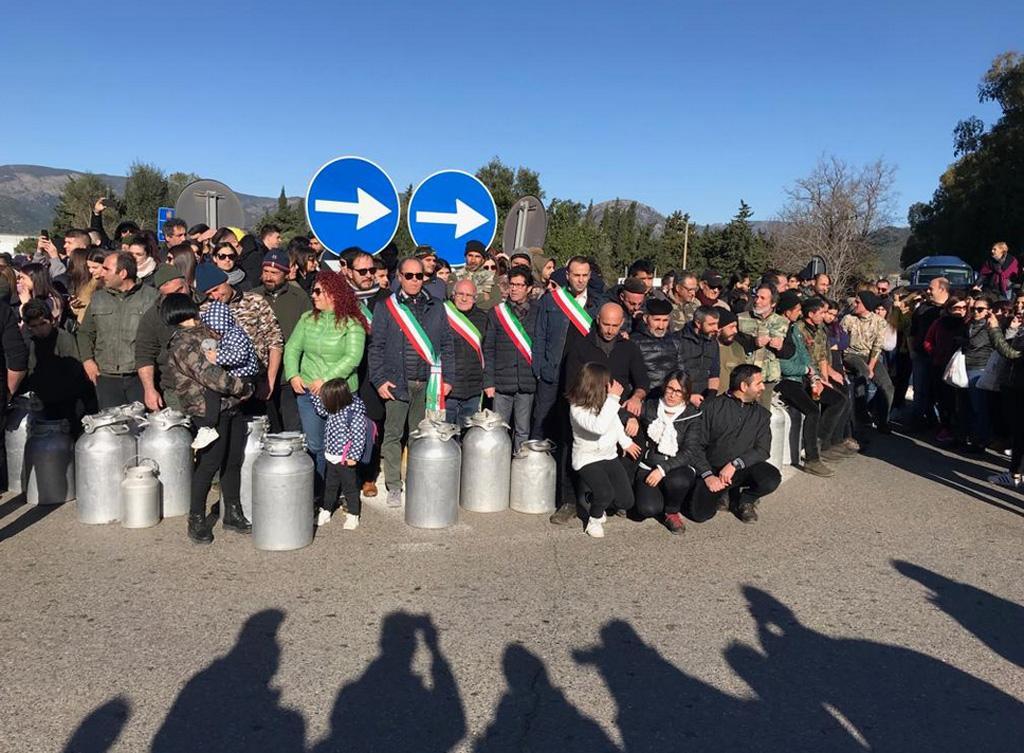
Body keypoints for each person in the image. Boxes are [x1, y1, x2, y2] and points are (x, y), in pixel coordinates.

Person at [162, 294, 254, 544]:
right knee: (209, 463)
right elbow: (210, 374)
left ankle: (232, 512)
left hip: (232, 405)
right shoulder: (182, 344)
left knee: (233, 459)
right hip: (207, 409)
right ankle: (196, 518)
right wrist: (242, 387)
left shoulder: (209, 330)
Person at [369, 257, 454, 507]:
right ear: (399, 276)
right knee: (393, 436)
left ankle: (418, 480)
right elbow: (377, 348)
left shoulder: (437, 306)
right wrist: (379, 380)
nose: (415, 280)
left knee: (421, 436)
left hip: (428, 383)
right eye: (409, 276)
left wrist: (448, 378)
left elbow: (447, 344)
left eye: (419, 276)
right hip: (397, 382)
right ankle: (394, 485)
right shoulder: (386, 307)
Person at [285, 270, 368, 494]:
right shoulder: (307, 319)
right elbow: (292, 348)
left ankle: (344, 492)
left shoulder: (353, 323)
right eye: (313, 290)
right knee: (315, 445)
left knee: (344, 446)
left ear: (334, 293)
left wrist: (326, 380)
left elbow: (353, 358)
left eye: (318, 291)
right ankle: (319, 492)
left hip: (340, 395)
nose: (313, 295)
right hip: (308, 393)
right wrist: (293, 374)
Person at [683, 364, 781, 523]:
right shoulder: (711, 407)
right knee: (700, 514)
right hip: (713, 470)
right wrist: (707, 475)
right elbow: (695, 446)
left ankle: (745, 500)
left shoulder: (762, 415)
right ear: (743, 386)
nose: (763, 387)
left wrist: (735, 464)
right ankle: (724, 493)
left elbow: (763, 450)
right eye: (758, 383)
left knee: (771, 478)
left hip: (742, 468)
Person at [776, 295, 852, 476]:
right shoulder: (786, 330)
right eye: (797, 310)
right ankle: (812, 459)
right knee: (812, 410)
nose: (799, 313)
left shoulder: (794, 329)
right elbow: (784, 365)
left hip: (805, 376)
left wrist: (816, 379)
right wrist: (808, 373)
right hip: (787, 380)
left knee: (837, 399)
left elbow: (806, 356)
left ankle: (818, 441)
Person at [530, 255, 602, 442]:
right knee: (541, 423)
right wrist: (539, 369)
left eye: (585, 275)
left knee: (573, 429)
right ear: (567, 275)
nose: (580, 279)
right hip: (551, 373)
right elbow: (540, 336)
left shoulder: (596, 304)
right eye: (576, 275)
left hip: (580, 377)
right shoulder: (551, 301)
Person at [566, 363, 641, 538]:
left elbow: (614, 423)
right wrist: (613, 399)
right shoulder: (576, 407)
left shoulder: (606, 403)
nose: (610, 386)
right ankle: (594, 518)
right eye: (606, 383)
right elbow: (598, 427)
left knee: (626, 501)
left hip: (608, 456)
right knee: (605, 493)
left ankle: (595, 498)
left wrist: (626, 442)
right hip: (587, 459)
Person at [198, 262, 284, 413]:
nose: (215, 296)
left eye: (217, 289)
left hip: (259, 381)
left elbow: (275, 341)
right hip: (227, 388)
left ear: (225, 281)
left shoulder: (254, 302)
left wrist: (269, 381)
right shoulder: (205, 311)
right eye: (209, 294)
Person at [77, 251, 159, 409]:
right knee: (112, 430)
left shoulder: (152, 298)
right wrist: (87, 360)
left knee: (140, 427)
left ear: (122, 273)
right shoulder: (97, 298)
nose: (101, 273)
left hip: (139, 377)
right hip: (106, 377)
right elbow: (84, 333)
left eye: (106, 269)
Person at [633, 370, 702, 534]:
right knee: (647, 509)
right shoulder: (650, 407)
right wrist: (630, 418)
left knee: (679, 482)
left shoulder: (692, 415)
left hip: (676, 465)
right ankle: (659, 498)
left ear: (686, 393)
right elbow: (626, 411)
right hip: (649, 464)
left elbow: (690, 451)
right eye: (670, 389)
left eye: (679, 391)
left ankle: (672, 511)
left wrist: (662, 470)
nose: (672, 395)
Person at [192, 300, 261, 450]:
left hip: (242, 376)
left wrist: (217, 356)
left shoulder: (235, 335)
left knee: (212, 391)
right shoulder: (230, 333)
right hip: (237, 375)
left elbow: (240, 355)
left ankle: (209, 425)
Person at [483, 265, 538, 451]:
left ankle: (519, 471)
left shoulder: (538, 312)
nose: (514, 288)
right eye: (511, 284)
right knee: (499, 430)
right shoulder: (497, 313)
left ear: (529, 288)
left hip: (527, 382)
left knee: (523, 431)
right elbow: (488, 349)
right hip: (501, 382)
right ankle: (499, 469)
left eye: (519, 285)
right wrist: (488, 382)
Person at [256, 250, 311, 432]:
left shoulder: (299, 298)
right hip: (261, 374)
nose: (269, 277)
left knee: (292, 428)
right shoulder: (253, 297)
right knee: (268, 428)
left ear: (286, 274)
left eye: (274, 273)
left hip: (290, 374)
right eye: (266, 272)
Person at [20, 297, 92, 428]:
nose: (39, 330)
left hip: (66, 400)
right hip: (42, 400)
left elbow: (74, 372)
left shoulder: (64, 339)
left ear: (52, 321)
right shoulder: (30, 342)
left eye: (43, 324)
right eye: (34, 326)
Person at [314, 377, 369, 530]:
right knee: (330, 486)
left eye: (326, 398)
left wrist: (353, 456)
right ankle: (325, 510)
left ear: (336, 398)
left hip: (345, 459)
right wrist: (315, 395)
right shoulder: (332, 408)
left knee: (350, 488)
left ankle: (353, 514)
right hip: (331, 456)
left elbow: (359, 436)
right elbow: (320, 410)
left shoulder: (353, 413)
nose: (324, 400)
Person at [135, 264, 192, 411]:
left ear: (187, 283)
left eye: (180, 289)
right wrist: (149, 389)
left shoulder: (206, 305)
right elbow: (144, 354)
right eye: (170, 295)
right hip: (176, 390)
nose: (178, 296)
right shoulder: (153, 316)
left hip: (212, 387)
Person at [842, 290, 896, 434]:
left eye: (858, 302)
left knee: (887, 386)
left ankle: (883, 420)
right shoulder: (848, 319)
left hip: (870, 355)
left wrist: (872, 366)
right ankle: (861, 415)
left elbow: (877, 346)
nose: (855, 304)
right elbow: (841, 343)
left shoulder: (879, 322)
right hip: (850, 354)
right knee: (862, 374)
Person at [738, 284, 791, 409]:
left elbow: (790, 351)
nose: (757, 301)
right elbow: (734, 343)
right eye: (756, 297)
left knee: (762, 415)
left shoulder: (783, 322)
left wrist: (780, 347)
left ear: (772, 303)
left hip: (766, 380)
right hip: (745, 377)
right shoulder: (741, 318)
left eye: (763, 298)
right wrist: (753, 343)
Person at [923, 296, 968, 443]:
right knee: (943, 399)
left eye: (963, 308)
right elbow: (928, 340)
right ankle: (945, 427)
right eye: (956, 308)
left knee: (961, 401)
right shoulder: (939, 323)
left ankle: (961, 430)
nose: (960, 311)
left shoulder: (967, 323)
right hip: (941, 365)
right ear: (949, 309)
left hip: (962, 367)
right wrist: (935, 352)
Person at [445, 279, 488, 427]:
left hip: (474, 388)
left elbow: (487, 351)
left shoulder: (483, 318)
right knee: (446, 436)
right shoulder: (443, 315)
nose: (464, 298)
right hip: (448, 388)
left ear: (475, 298)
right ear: (453, 295)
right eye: (460, 294)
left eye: (469, 295)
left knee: (469, 436)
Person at [908, 277, 949, 427]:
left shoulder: (951, 308)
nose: (928, 291)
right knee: (920, 390)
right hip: (920, 356)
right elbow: (912, 331)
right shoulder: (922, 308)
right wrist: (912, 350)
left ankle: (939, 423)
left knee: (939, 391)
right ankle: (917, 421)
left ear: (942, 289)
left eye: (931, 288)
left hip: (941, 357)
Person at [957, 295, 995, 451]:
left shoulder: (989, 326)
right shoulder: (971, 323)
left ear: (989, 311)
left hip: (980, 368)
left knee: (978, 406)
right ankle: (968, 436)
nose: (976, 312)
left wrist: (961, 340)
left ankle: (981, 440)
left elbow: (975, 343)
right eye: (973, 309)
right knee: (966, 405)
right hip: (965, 366)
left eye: (980, 309)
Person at [630, 297, 682, 398]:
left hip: (670, 397)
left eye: (665, 320)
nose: (661, 326)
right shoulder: (634, 341)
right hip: (643, 398)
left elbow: (682, 371)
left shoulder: (675, 341)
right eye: (657, 320)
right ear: (645, 319)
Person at [676, 306, 721, 404]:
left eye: (717, 324)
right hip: (679, 399)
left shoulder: (713, 343)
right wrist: (688, 396)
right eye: (711, 324)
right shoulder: (677, 340)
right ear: (698, 323)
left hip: (702, 399)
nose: (716, 328)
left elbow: (714, 372)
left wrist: (711, 395)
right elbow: (671, 375)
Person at [450, 240, 500, 310]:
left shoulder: (492, 277)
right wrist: (483, 297)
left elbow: (495, 302)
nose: (473, 260)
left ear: (483, 260)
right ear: (465, 257)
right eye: (470, 256)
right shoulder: (455, 276)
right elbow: (452, 298)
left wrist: (467, 303)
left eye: (477, 256)